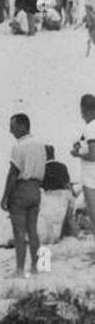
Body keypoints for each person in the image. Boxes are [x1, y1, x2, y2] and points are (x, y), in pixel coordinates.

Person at [2, 113, 45, 277]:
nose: (10, 131)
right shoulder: (40, 145)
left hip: (22, 188)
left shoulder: (19, 146)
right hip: (36, 188)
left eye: (13, 127)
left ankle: (20, 269)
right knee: (33, 230)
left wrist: (5, 197)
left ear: (22, 126)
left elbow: (13, 173)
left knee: (19, 231)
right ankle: (36, 267)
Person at [70, 94, 95, 246]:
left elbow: (93, 155)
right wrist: (79, 145)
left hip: (91, 179)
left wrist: (77, 154)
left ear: (84, 109)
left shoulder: (90, 127)